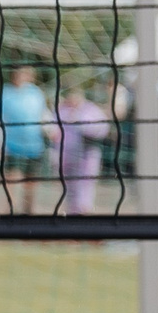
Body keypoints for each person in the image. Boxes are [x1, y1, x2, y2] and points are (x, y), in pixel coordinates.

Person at [0, 65, 51, 215]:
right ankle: (8, 211)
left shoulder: (36, 93)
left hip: (34, 146)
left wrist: (51, 130)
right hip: (12, 145)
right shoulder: (4, 93)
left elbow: (43, 114)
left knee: (31, 182)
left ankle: (28, 212)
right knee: (11, 180)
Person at [53, 83, 111, 217]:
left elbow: (102, 129)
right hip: (66, 154)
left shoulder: (91, 110)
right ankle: (72, 213)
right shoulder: (61, 110)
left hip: (87, 154)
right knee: (69, 186)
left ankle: (84, 212)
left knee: (86, 184)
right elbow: (54, 131)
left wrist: (83, 126)